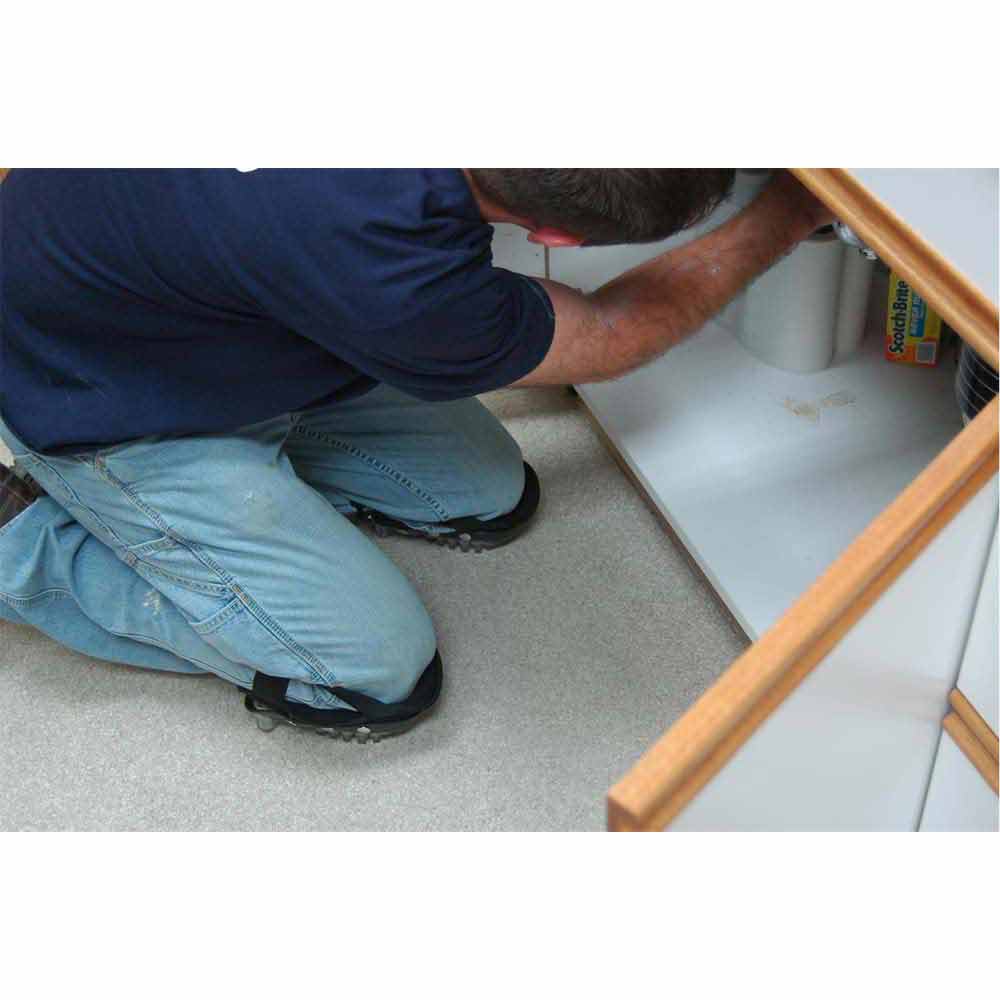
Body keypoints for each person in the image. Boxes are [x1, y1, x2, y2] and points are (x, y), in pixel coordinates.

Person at [0, 168, 832, 741]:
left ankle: (240, 513)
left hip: (188, 310)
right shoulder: (395, 272)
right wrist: (791, 212)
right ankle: (24, 539)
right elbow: (610, 333)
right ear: (553, 236)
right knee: (373, 677)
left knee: (489, 495)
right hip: (91, 390)